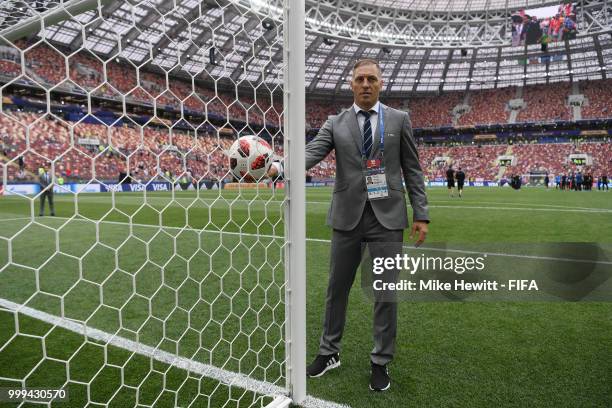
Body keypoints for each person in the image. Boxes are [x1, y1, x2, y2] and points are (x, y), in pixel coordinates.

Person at [271, 59, 429, 392]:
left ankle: (380, 361)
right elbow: (312, 153)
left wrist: (422, 214)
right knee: (336, 289)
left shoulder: (400, 120)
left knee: (385, 293)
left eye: (372, 78)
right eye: (361, 79)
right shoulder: (335, 122)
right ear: (352, 84)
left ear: (381, 83)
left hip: (388, 218)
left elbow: (412, 169)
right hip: (347, 217)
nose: (367, 84)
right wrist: (280, 168)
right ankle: (329, 352)